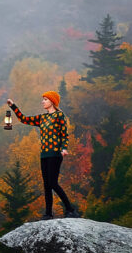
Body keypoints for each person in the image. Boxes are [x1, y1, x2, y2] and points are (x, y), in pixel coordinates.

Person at [6, 91, 80, 220]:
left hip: (55, 154)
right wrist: (13, 106)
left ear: (52, 101)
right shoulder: (42, 118)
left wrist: (64, 148)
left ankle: (70, 209)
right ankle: (48, 213)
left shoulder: (59, 115)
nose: (43, 101)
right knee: (47, 185)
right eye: (43, 99)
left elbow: (64, 134)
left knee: (53, 183)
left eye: (45, 99)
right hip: (44, 154)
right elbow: (23, 119)